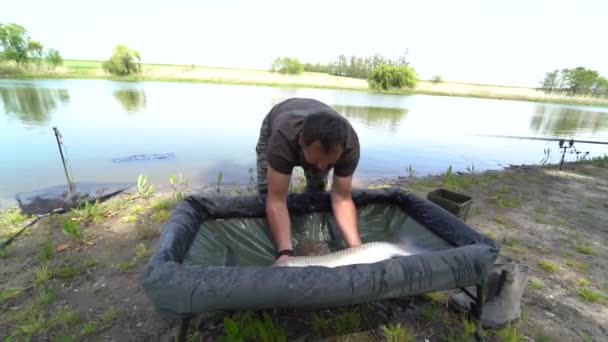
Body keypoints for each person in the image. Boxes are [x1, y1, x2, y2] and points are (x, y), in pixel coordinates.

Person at [255, 97, 362, 264]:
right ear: (301, 142)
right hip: (278, 121)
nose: (322, 167)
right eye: (316, 160)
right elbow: (277, 200)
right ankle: (279, 240)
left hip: (322, 127)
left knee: (317, 192)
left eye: (330, 163)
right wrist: (285, 253)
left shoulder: (349, 146)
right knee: (266, 192)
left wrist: (357, 249)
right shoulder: (282, 141)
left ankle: (309, 232)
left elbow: (342, 199)